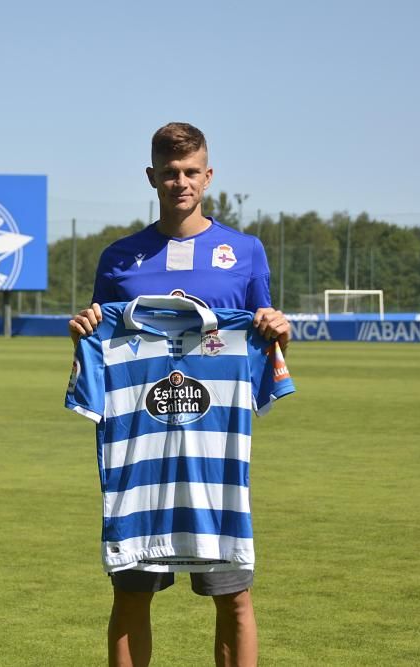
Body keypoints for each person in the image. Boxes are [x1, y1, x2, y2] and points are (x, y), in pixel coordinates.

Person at [68, 122, 291, 667]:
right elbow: (105, 335)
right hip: (140, 464)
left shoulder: (244, 252)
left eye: (191, 172)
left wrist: (279, 330)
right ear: (152, 177)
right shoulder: (119, 259)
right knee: (129, 595)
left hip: (215, 465)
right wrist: (87, 329)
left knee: (235, 598)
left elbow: (264, 337)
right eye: (170, 173)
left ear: (208, 176)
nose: (181, 182)